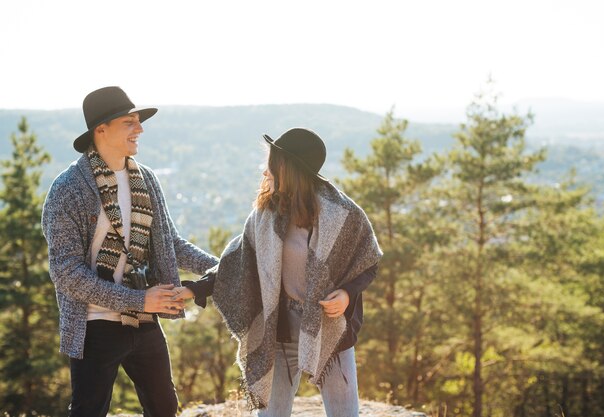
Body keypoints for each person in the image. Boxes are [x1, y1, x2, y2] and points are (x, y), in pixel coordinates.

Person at [175, 127, 382, 416]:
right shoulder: (265, 215)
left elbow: (367, 261)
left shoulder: (343, 214)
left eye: (270, 165)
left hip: (329, 331)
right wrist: (195, 289)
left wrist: (347, 294)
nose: (264, 172)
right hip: (279, 329)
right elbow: (235, 262)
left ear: (289, 168)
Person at [41, 86, 218, 417]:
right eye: (129, 122)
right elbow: (66, 274)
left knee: (165, 407)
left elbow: (171, 244)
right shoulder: (67, 190)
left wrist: (224, 266)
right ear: (101, 129)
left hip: (145, 320)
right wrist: (140, 300)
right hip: (94, 326)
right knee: (88, 410)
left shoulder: (145, 179)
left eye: (139, 121)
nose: (140, 129)